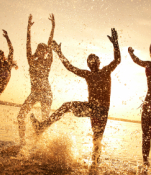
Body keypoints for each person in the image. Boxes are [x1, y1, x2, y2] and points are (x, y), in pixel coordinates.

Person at [30, 28, 121, 170]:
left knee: (97, 140)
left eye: (94, 59)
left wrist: (115, 44)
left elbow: (117, 60)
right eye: (89, 60)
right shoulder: (87, 74)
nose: (92, 61)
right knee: (66, 106)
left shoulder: (106, 71)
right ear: (88, 64)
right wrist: (59, 53)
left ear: (98, 61)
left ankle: (94, 166)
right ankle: (42, 126)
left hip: (102, 111)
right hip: (90, 107)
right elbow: (70, 67)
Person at [17, 14, 55, 145]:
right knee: (20, 116)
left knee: (44, 122)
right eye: (39, 49)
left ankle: (40, 146)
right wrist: (28, 29)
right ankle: (22, 144)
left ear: (45, 52)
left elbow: (50, 44)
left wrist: (53, 27)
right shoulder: (31, 61)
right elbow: (28, 44)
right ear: (37, 50)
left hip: (46, 94)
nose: (41, 51)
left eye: (43, 50)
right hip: (34, 93)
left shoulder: (48, 62)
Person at [128, 42, 151, 167]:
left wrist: (131, 53)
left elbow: (137, 60)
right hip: (150, 103)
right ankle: (145, 164)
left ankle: (145, 164)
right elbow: (137, 60)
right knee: (146, 135)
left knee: (146, 136)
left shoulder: (149, 64)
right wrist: (131, 53)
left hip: (150, 102)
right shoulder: (149, 64)